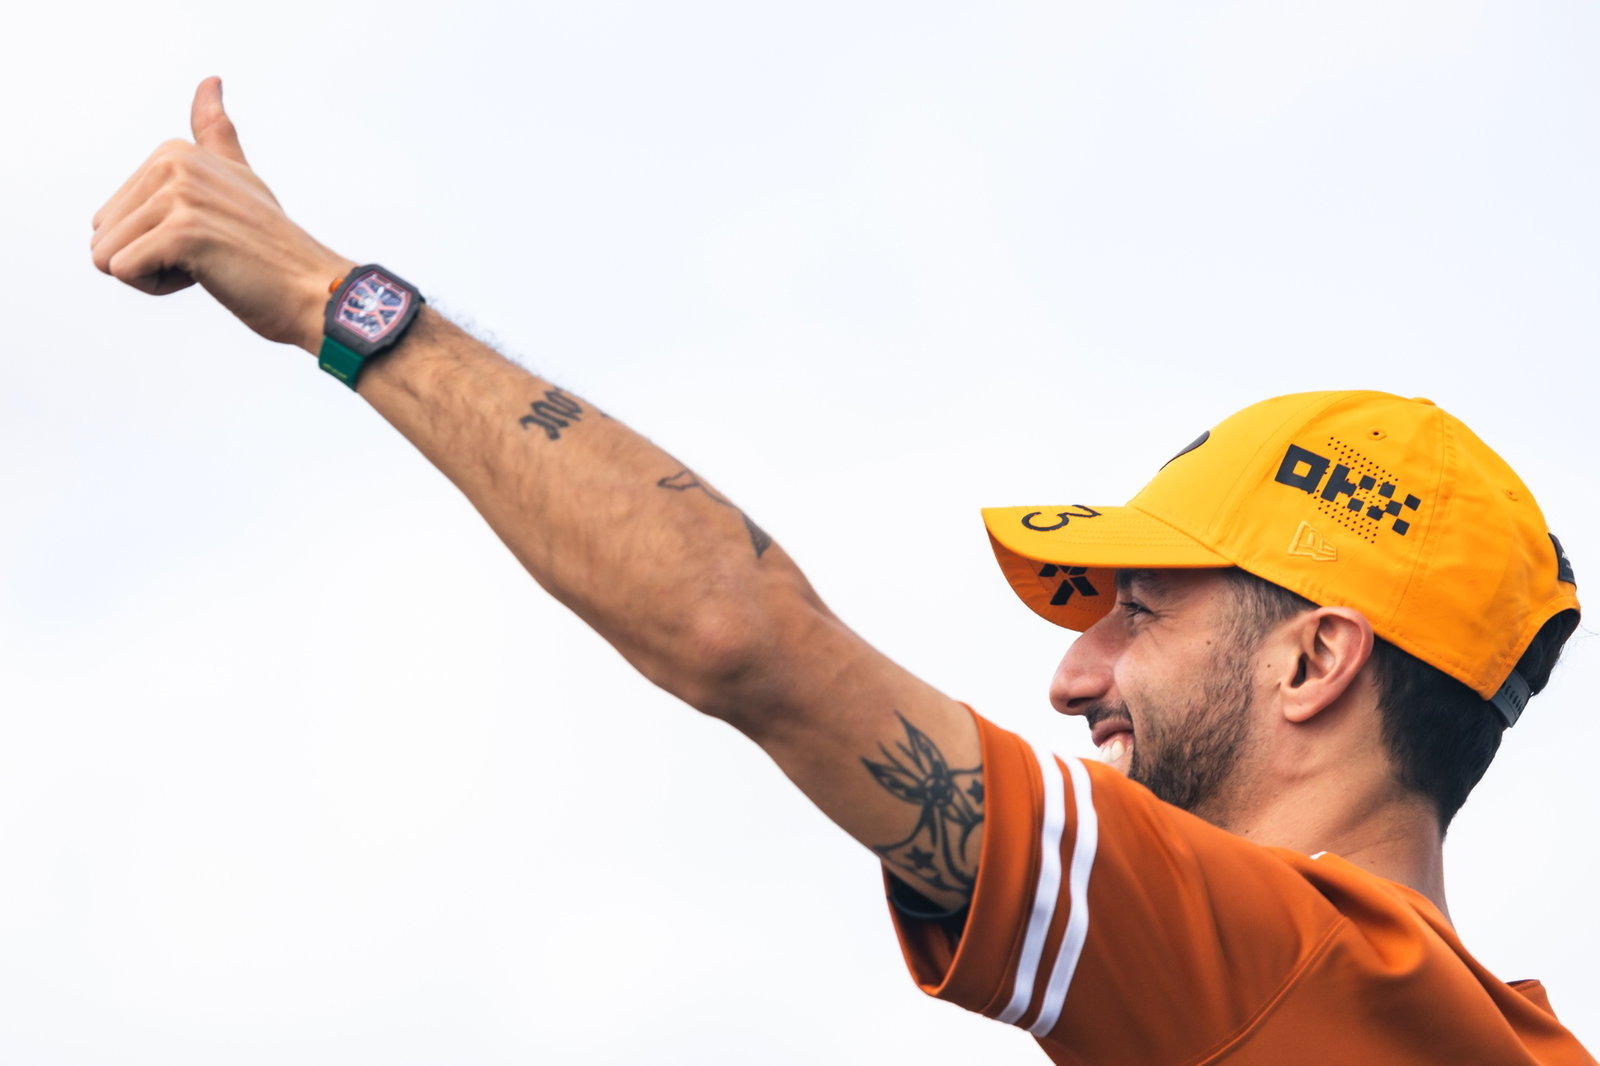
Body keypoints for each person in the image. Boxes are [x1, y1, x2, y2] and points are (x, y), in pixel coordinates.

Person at [91, 79, 1592, 1065]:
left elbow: (739, 634)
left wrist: (327, 300)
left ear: (1315, 660)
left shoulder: (1301, 969)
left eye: (1140, 608)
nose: (1073, 672)